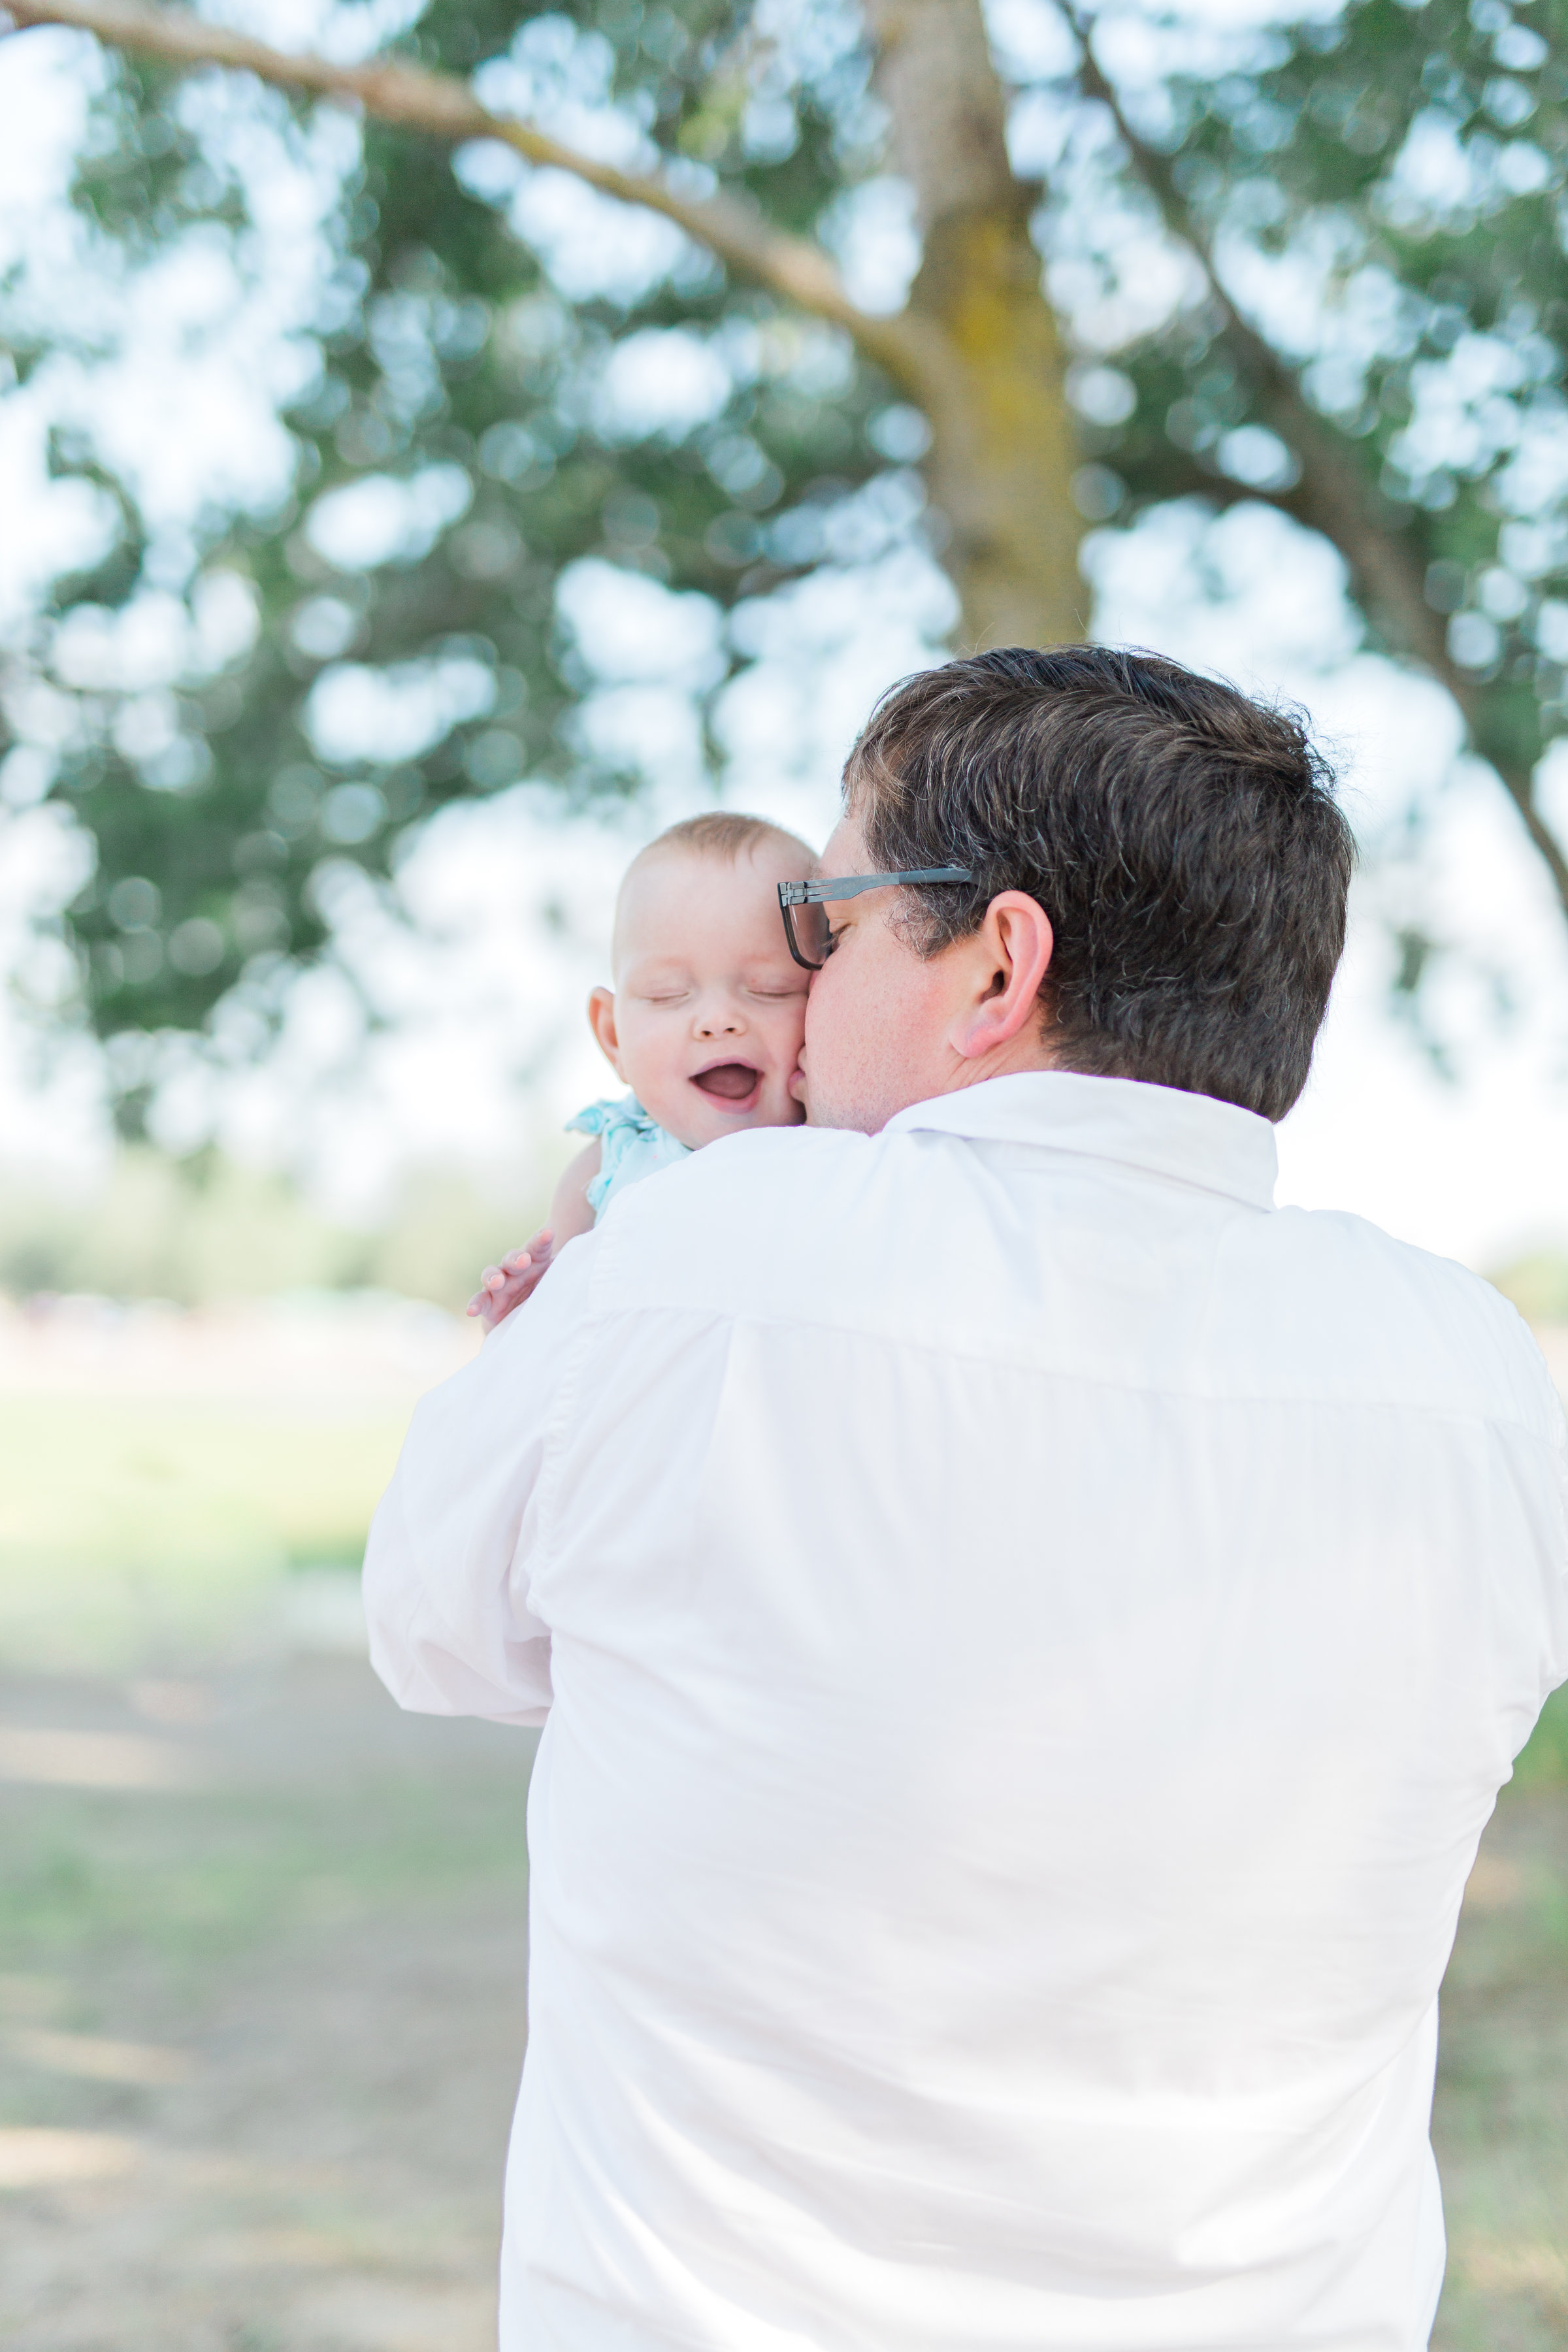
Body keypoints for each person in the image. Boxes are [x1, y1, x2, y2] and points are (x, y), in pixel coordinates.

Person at [363, 645, 1568, 2352]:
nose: (786, 996)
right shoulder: (1478, 1378)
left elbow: (435, 1629)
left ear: (995, 963)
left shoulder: (707, 1265)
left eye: (827, 928)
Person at [468, 813, 817, 1330]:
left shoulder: (833, 1135)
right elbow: (552, 1334)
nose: (719, 1021)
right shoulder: (607, 1165)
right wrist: (517, 1313)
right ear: (613, 1038)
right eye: (668, 995)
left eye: (771, 989)